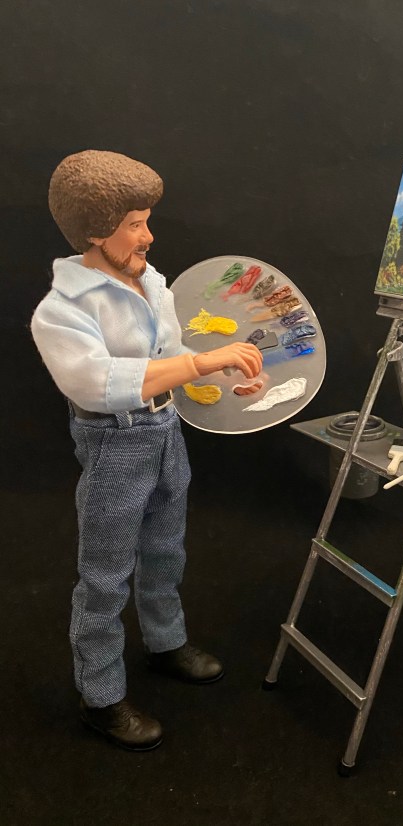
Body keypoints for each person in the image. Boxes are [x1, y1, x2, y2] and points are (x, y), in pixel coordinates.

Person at [31, 150, 262, 752]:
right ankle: (101, 695)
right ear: (94, 231)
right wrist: (200, 364)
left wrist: (223, 373)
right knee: (105, 575)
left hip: (165, 431)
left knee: (164, 550)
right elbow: (97, 383)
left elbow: (170, 353)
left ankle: (165, 642)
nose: (147, 235)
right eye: (134, 223)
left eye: (146, 220)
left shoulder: (149, 282)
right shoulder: (63, 310)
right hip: (115, 441)